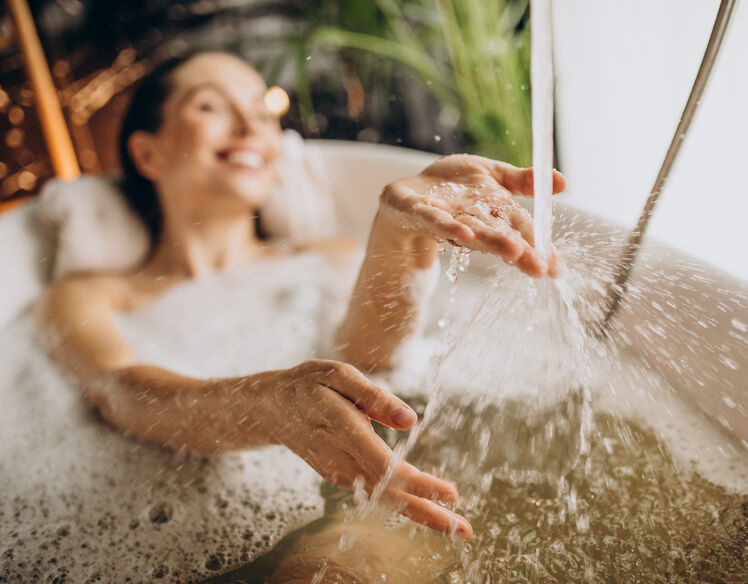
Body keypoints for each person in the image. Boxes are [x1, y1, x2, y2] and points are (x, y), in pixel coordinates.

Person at [34, 51, 565, 542]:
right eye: (211, 106)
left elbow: (374, 360)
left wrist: (398, 229)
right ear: (148, 152)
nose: (250, 128)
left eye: (262, 114)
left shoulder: (326, 257)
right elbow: (120, 394)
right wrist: (270, 406)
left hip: (367, 498)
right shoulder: (89, 295)